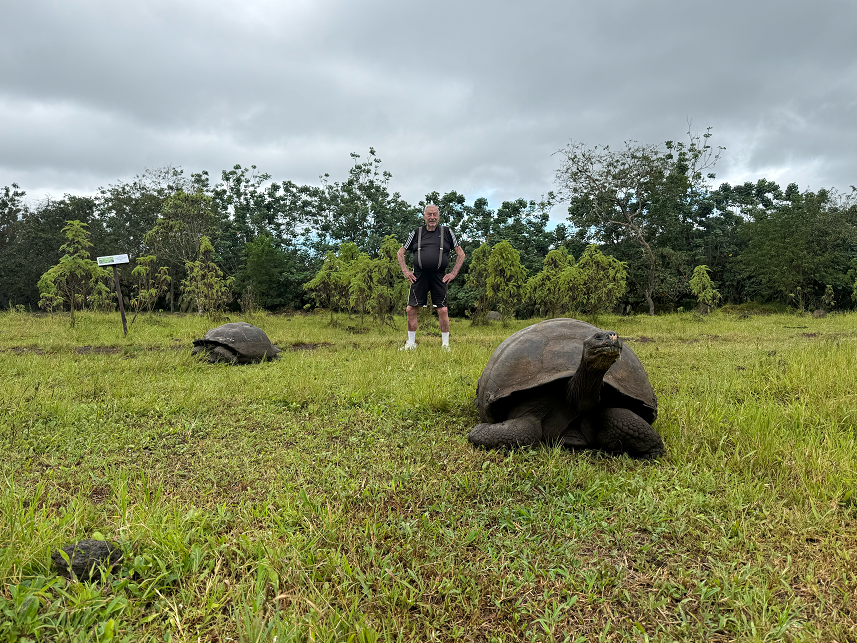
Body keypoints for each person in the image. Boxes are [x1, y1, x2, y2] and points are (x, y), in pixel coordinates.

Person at [396, 204, 465, 350]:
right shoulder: (416, 233)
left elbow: (461, 254)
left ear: (438, 216)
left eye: (434, 214)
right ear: (424, 216)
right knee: (410, 309)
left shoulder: (447, 232)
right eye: (429, 214)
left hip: (439, 276)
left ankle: (445, 345)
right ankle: (411, 343)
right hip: (418, 275)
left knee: (443, 310)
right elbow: (400, 252)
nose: (432, 217)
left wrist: (453, 273)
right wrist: (406, 271)